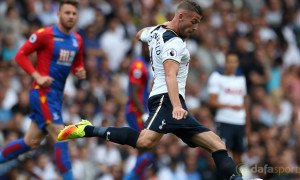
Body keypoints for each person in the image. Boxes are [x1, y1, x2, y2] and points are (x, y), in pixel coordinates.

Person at [58, 1, 242, 179]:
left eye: (198, 23)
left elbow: (139, 34)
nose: (195, 28)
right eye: (193, 22)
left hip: (171, 101)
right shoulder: (175, 43)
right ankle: (88, 130)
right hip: (167, 100)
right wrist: (177, 106)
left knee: (216, 144)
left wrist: (161, 26)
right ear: (181, 16)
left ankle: (237, 178)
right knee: (143, 142)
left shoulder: (155, 32)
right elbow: (170, 75)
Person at [0, 1, 86, 179]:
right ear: (59, 14)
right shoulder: (45, 34)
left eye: (74, 13)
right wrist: (36, 76)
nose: (70, 16)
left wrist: (79, 70)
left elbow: (77, 63)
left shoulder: (77, 40)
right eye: (67, 12)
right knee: (62, 136)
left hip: (56, 97)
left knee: (29, 143)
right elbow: (20, 55)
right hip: (41, 93)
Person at [207, 52, 250, 165]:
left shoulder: (241, 78)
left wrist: (247, 123)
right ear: (225, 63)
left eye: (234, 61)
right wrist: (230, 106)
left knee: (239, 153)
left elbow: (245, 101)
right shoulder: (217, 77)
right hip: (224, 120)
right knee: (223, 153)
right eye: (229, 61)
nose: (232, 64)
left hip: (240, 121)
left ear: (237, 63)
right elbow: (211, 101)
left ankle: (235, 176)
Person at [123, 43, 154, 180]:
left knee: (144, 150)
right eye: (148, 47)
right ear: (143, 48)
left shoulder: (145, 65)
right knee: (147, 146)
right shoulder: (138, 66)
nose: (151, 51)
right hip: (135, 111)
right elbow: (134, 94)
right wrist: (143, 113)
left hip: (140, 110)